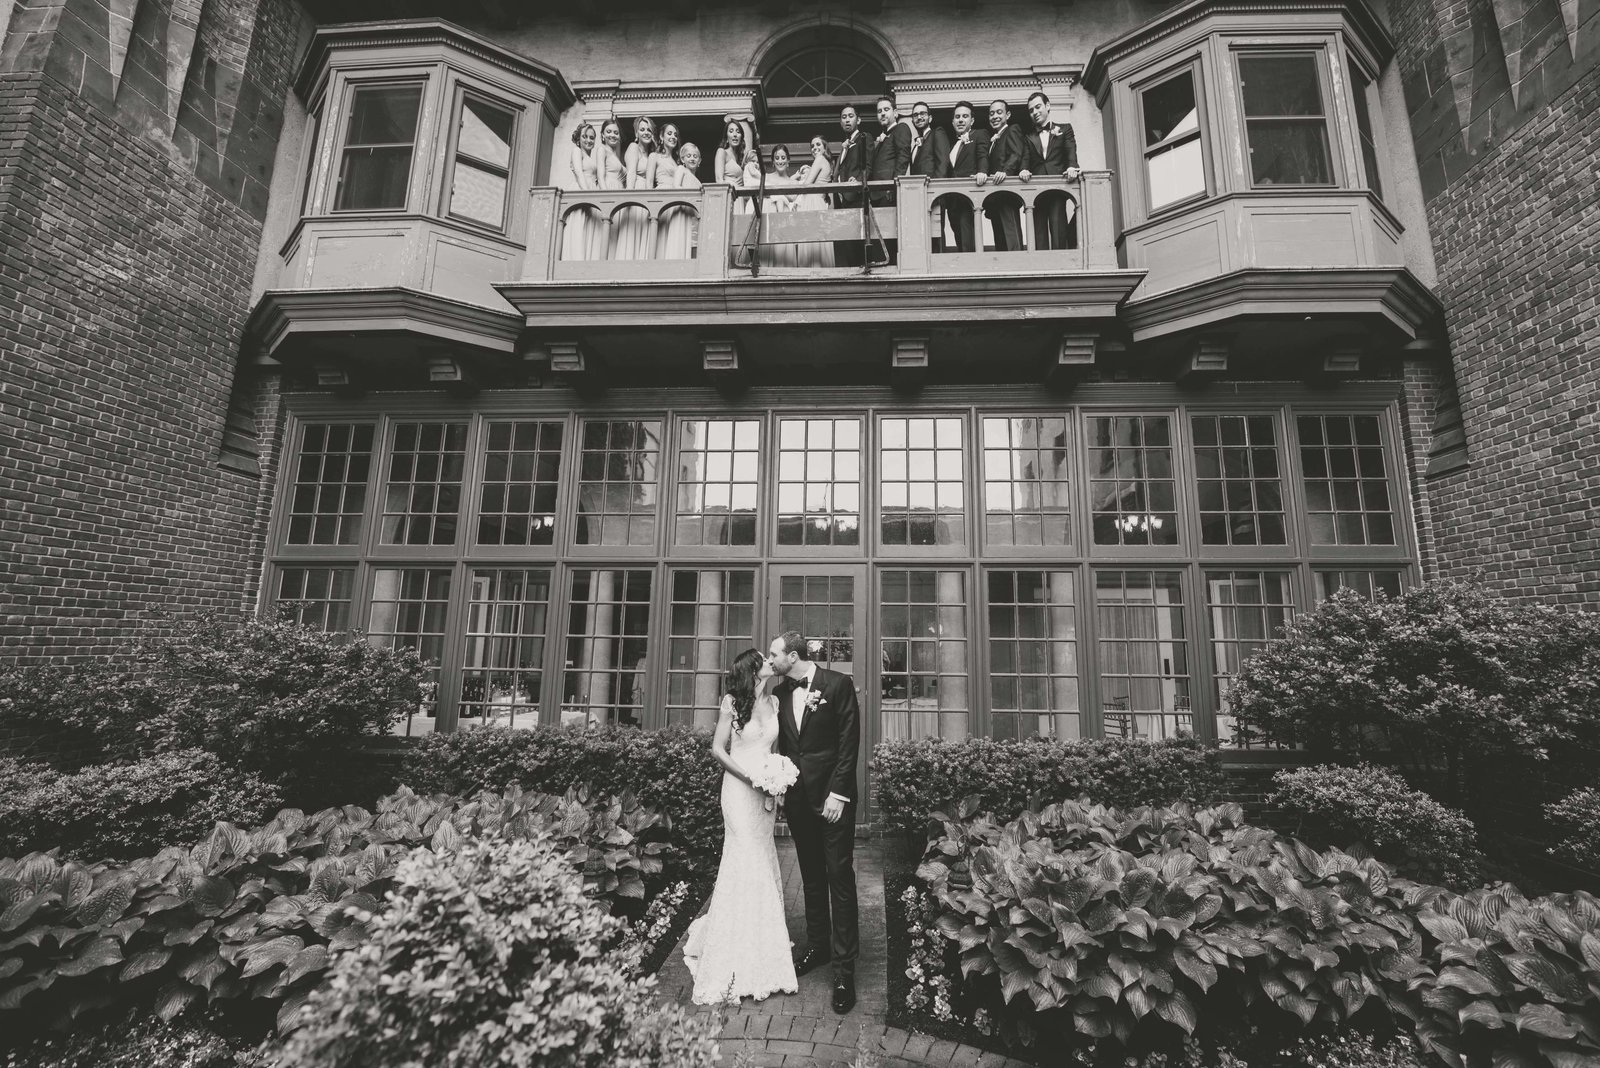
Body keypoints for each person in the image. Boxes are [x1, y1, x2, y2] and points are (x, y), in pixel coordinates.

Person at [681, 649, 800, 1005]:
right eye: (765, 661)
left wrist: (775, 786)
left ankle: (763, 941)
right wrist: (751, 780)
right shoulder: (732, 702)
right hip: (738, 791)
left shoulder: (776, 703)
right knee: (744, 859)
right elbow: (718, 750)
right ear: (753, 671)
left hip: (763, 792)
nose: (770, 663)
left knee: (762, 860)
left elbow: (773, 752)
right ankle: (733, 951)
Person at [769, 630, 861, 1015]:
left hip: (832, 800)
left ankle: (843, 969)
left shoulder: (838, 684)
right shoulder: (779, 693)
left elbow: (848, 740)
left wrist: (838, 794)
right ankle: (818, 948)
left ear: (793, 655)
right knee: (810, 876)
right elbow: (790, 747)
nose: (771, 660)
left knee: (839, 877)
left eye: (775, 654)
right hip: (798, 801)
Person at [1019, 91, 1080, 250]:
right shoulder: (1028, 136)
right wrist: (1024, 169)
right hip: (1037, 190)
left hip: (1057, 188)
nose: (1035, 112)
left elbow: (1070, 151)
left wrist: (1072, 167)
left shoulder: (1065, 129)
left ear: (1048, 106)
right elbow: (1025, 157)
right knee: (1038, 232)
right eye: (1031, 110)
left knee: (1059, 228)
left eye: (1038, 107)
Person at [944, 101, 989, 253]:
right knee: (958, 234)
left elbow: (983, 155)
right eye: (957, 117)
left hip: (969, 195)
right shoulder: (951, 144)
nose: (961, 120)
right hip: (952, 198)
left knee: (969, 236)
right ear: (953, 121)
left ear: (972, 120)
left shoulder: (979, 134)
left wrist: (982, 171)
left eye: (965, 116)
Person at [980, 99, 1025, 251]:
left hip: (1006, 194)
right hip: (994, 197)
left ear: (1008, 114)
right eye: (991, 113)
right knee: (1000, 239)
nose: (995, 116)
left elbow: (1016, 154)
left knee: (1011, 237)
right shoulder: (994, 139)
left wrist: (1005, 171)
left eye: (999, 112)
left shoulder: (1012, 129)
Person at [610, 116, 656, 259]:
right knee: (632, 231)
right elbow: (631, 173)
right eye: (642, 129)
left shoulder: (651, 154)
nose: (646, 132)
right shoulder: (633, 147)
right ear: (636, 134)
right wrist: (630, 199)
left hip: (647, 193)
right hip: (636, 191)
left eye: (649, 129)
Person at [832, 106, 869, 267]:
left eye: (851, 116)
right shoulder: (844, 145)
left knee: (857, 247)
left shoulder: (864, 138)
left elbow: (868, 165)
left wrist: (860, 179)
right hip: (841, 201)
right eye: (844, 117)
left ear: (858, 120)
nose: (847, 119)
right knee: (844, 244)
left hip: (856, 198)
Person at [794, 135, 836, 268]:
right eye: (812, 146)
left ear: (825, 147)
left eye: (818, 144)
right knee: (817, 241)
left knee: (810, 241)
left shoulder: (819, 159)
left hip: (812, 201)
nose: (814, 148)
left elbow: (807, 184)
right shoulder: (827, 162)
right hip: (819, 201)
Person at [658, 133, 701, 261]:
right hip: (682, 208)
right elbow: (676, 186)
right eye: (688, 156)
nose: (692, 159)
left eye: (695, 156)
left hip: (693, 213)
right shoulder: (681, 170)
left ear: (699, 161)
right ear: (682, 159)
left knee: (692, 241)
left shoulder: (698, 181)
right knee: (681, 236)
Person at [560, 123, 600, 261]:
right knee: (579, 225)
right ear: (578, 138)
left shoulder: (590, 157)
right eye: (585, 137)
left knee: (589, 228)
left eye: (592, 137)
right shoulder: (577, 151)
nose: (588, 140)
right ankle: (575, 258)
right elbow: (578, 172)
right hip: (581, 189)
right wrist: (587, 193)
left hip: (591, 190)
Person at [763, 144, 801, 268]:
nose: (780, 161)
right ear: (773, 161)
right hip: (769, 221)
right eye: (777, 158)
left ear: (788, 160)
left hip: (786, 224)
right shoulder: (766, 177)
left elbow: (794, 198)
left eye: (783, 157)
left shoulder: (793, 182)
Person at [908, 100, 951, 179]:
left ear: (930, 118)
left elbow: (943, 163)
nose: (919, 117)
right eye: (915, 115)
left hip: (933, 188)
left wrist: (936, 187)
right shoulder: (915, 146)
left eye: (922, 114)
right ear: (912, 121)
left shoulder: (937, 133)